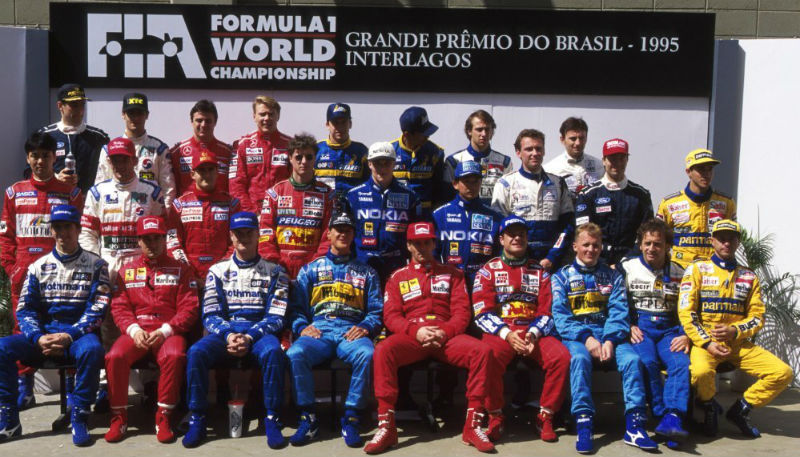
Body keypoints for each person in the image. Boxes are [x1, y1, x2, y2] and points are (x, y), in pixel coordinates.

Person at [364, 222, 497, 455]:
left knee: (482, 351)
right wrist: (415, 331)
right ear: (408, 246)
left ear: (434, 244)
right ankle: (387, 428)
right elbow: (391, 316)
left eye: (427, 242)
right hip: (413, 336)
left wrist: (445, 331)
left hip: (446, 336)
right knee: (383, 350)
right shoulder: (397, 277)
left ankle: (472, 427)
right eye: (417, 243)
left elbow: (462, 312)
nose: (422, 248)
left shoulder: (454, 274)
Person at [0, 205, 109, 446]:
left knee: (93, 350)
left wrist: (69, 335)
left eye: (67, 227)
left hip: (77, 336)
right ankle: (9, 420)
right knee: (2, 347)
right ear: (51, 231)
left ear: (78, 229)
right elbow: (25, 309)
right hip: (45, 336)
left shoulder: (97, 265)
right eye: (57, 227)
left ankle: (80, 416)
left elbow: (97, 308)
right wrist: (38, 337)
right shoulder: (37, 266)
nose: (62, 233)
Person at [182, 212, 290, 449]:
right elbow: (210, 314)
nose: (244, 238)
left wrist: (249, 337)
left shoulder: (276, 272)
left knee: (274, 352)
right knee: (196, 352)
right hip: (226, 333)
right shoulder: (217, 271)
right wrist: (230, 335)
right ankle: (197, 418)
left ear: (258, 235)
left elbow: (276, 316)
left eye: (249, 232)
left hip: (259, 333)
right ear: (230, 236)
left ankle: (272, 418)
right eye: (238, 233)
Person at [678, 219, 793, 438]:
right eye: (721, 238)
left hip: (738, 344)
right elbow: (686, 312)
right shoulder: (696, 270)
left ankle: (741, 410)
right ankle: (709, 406)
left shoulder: (749, 276)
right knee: (700, 372)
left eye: (731, 239)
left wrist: (735, 331)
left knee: (783, 373)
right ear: (712, 241)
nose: (726, 243)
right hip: (705, 343)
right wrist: (707, 343)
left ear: (738, 242)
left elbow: (757, 316)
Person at [551, 223, 657, 454]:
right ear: (575, 246)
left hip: (609, 335)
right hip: (577, 337)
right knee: (579, 360)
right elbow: (561, 317)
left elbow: (619, 312)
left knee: (632, 360)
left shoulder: (613, 275)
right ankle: (584, 423)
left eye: (595, 245)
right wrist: (587, 338)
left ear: (601, 248)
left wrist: (609, 339)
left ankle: (635, 426)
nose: (591, 249)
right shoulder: (561, 277)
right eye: (586, 245)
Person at [286, 211, 382, 448]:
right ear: (328, 234)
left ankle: (351, 417)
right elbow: (295, 309)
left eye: (348, 230)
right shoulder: (310, 269)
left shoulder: (367, 272)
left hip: (351, 331)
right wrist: (302, 327)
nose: (342, 234)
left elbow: (376, 311)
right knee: (295, 353)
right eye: (338, 229)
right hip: (319, 330)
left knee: (367, 353)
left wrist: (365, 326)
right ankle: (308, 417)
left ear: (353, 235)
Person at [1, 132, 83, 409]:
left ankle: (71, 386)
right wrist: (11, 267)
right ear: (28, 158)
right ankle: (25, 386)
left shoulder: (70, 193)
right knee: (22, 328)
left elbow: (79, 235)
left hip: (60, 273)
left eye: (45, 156)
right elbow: (5, 235)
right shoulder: (14, 192)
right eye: (34, 156)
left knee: (65, 324)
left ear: (54, 157)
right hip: (23, 274)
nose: (40, 161)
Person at [473, 215, 570, 443]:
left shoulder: (540, 272)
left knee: (561, 357)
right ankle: (495, 415)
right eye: (511, 234)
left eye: (522, 234)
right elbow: (481, 312)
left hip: (534, 333)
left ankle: (545, 416)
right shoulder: (487, 271)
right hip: (502, 333)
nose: (517, 238)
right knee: (487, 356)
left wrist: (533, 334)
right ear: (501, 239)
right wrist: (507, 334)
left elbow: (548, 312)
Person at [104, 216, 198, 444]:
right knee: (115, 356)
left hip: (168, 332)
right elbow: (119, 307)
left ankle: (164, 416)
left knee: (174, 355)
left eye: (157, 238)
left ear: (165, 239)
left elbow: (189, 308)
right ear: (139, 241)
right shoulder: (126, 271)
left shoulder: (181, 269)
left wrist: (165, 331)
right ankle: (118, 418)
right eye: (147, 239)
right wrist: (134, 330)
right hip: (137, 332)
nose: (152, 244)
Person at [619, 218, 689, 448]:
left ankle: (673, 418)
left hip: (670, 329)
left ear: (667, 245)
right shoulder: (627, 267)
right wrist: (629, 325)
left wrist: (685, 334)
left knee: (680, 362)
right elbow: (617, 302)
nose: (651, 248)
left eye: (657, 244)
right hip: (642, 327)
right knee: (646, 361)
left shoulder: (681, 272)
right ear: (640, 244)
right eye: (647, 243)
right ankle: (661, 415)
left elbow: (688, 308)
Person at [80, 137, 165, 280]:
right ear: (109, 162)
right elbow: (87, 233)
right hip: (107, 263)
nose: (120, 165)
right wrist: (96, 262)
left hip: (142, 264)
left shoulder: (152, 192)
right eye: (115, 160)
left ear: (135, 161)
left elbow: (162, 234)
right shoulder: (97, 193)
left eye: (124, 160)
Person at [491, 129, 574, 272]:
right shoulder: (505, 184)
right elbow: (498, 228)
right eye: (529, 149)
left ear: (544, 151)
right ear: (518, 152)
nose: (535, 153)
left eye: (538, 148)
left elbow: (568, 226)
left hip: (552, 262)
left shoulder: (558, 183)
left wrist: (552, 257)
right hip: (517, 262)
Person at [258, 134, 335, 279]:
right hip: (279, 267)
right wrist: (275, 265)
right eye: (299, 157)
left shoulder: (327, 195)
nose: (304, 162)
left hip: (314, 269)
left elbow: (329, 236)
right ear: (290, 158)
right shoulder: (275, 193)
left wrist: (315, 266)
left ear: (315, 158)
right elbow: (265, 234)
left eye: (309, 157)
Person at [345, 142, 422, 284]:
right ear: (369, 164)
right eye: (377, 163)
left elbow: (417, 234)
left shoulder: (410, 196)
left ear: (394, 164)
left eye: (387, 163)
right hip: (362, 264)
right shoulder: (353, 195)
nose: (382, 168)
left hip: (396, 265)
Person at [656, 149, 736, 278]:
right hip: (679, 269)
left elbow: (732, 240)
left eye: (709, 169)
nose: (706, 174)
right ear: (688, 172)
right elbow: (658, 239)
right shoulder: (669, 204)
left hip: (714, 271)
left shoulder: (726, 203)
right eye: (701, 169)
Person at [575, 138, 653, 265]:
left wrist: (627, 261)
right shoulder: (588, 194)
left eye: (621, 158)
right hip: (596, 260)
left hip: (631, 262)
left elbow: (646, 233)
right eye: (612, 159)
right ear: (604, 161)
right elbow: (582, 233)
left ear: (627, 160)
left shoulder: (641, 195)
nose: (617, 163)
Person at [167, 147, 240, 280]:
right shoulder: (179, 205)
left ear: (217, 172)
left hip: (224, 275)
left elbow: (237, 241)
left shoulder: (232, 204)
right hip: (188, 276)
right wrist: (188, 271)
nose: (207, 174)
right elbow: (173, 242)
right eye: (202, 170)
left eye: (210, 169)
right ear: (192, 174)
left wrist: (220, 270)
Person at [95, 93, 177, 208]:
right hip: (116, 211)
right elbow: (100, 186)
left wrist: (165, 214)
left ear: (147, 115)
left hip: (149, 212)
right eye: (131, 113)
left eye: (139, 113)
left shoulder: (159, 148)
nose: (136, 118)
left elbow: (168, 189)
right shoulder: (109, 149)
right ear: (123, 115)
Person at [432, 160, 502, 289]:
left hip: (483, 282)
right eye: (466, 181)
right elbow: (433, 253)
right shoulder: (440, 215)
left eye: (475, 181)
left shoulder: (495, 217)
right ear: (455, 184)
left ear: (481, 183)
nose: (471, 186)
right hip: (451, 282)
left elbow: (499, 255)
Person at [33, 83, 109, 193]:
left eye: (82, 104)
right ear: (60, 106)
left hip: (88, 200)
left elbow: (109, 172)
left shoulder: (99, 137)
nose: (80, 110)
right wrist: (55, 178)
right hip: (54, 198)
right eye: (74, 105)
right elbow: (28, 172)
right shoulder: (45, 135)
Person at [229, 96, 291, 213]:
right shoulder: (243, 144)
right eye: (262, 114)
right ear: (254, 116)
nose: (267, 118)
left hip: (282, 211)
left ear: (278, 116)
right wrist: (252, 212)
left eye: (271, 114)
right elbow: (236, 185)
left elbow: (295, 182)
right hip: (252, 213)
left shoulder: (290, 145)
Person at [442, 110, 513, 206]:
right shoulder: (454, 161)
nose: (484, 134)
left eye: (487, 129)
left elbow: (508, 196)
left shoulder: (504, 162)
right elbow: (447, 197)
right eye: (479, 129)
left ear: (492, 132)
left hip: (494, 213)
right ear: (469, 131)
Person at [169, 99, 232, 196]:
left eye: (208, 121)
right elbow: (170, 188)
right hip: (187, 205)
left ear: (215, 122)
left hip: (221, 204)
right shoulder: (177, 152)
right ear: (191, 121)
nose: (203, 125)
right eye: (199, 120)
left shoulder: (228, 152)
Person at [390, 106, 446, 212]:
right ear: (407, 134)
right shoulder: (390, 151)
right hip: (396, 212)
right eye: (424, 134)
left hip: (425, 214)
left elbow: (439, 190)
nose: (428, 137)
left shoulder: (436, 153)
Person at [314, 103, 369, 202]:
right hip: (323, 206)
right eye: (335, 123)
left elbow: (370, 184)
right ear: (327, 125)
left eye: (343, 122)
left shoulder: (361, 151)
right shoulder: (316, 149)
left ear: (350, 124)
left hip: (353, 206)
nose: (340, 127)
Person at [543, 117, 602, 201]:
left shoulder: (599, 166)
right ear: (562, 140)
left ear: (586, 138)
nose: (578, 143)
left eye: (581, 138)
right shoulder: (550, 169)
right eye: (573, 139)